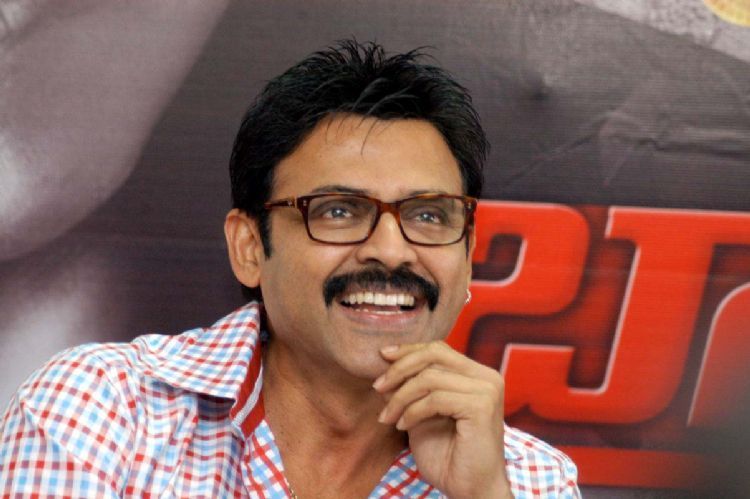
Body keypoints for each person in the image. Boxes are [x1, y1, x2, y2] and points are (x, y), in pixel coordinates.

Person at [0, 40, 580, 498]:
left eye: (428, 215)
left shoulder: (530, 480)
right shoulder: (100, 411)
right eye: (339, 211)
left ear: (468, 255)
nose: (392, 251)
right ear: (250, 247)